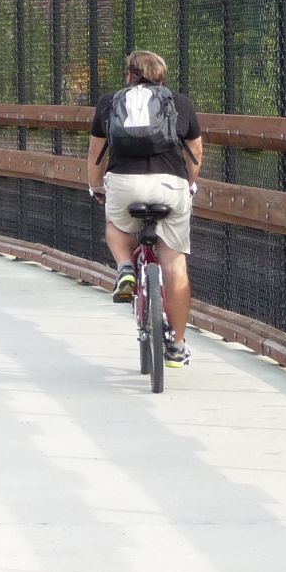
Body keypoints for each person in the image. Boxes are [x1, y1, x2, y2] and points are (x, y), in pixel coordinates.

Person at [86, 50, 204, 368]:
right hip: (170, 186)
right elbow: (195, 151)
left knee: (116, 224)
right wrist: (189, 184)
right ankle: (177, 346)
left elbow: (97, 151)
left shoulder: (110, 102)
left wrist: (96, 187)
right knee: (175, 265)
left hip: (125, 184)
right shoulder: (179, 103)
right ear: (162, 77)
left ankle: (125, 267)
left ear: (129, 75)